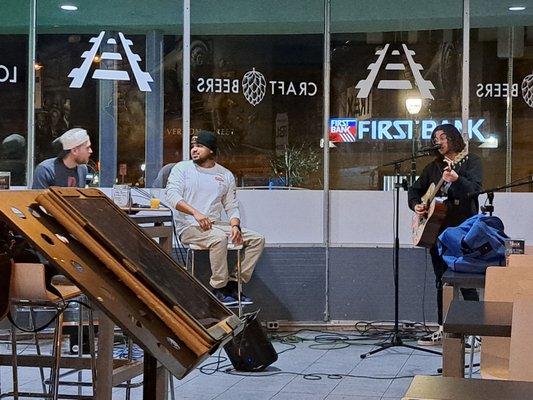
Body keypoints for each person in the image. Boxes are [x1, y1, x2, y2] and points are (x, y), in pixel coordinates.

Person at [165, 131, 265, 306]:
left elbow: (231, 205)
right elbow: (172, 196)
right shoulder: (182, 169)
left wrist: (235, 226)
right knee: (218, 239)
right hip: (189, 226)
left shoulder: (225, 175)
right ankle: (219, 287)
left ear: (211, 150)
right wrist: (195, 213)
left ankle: (234, 284)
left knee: (257, 239)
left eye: (199, 146)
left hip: (215, 224)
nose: (194, 150)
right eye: (193, 146)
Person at [408, 124, 483, 345]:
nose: (437, 141)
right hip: (437, 232)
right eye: (435, 138)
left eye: (442, 137)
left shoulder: (470, 162)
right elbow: (415, 191)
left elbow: (475, 190)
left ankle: (474, 332)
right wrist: (417, 206)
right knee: (441, 281)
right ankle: (444, 328)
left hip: (463, 230)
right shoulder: (433, 167)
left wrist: (457, 179)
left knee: (467, 279)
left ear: (453, 138)